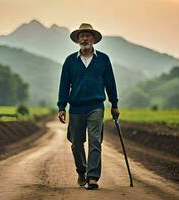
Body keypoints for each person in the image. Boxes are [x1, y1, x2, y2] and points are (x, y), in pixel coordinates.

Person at [57, 23, 120, 190]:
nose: (84, 38)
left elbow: (110, 83)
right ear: (78, 40)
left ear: (93, 39)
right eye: (81, 36)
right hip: (76, 108)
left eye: (88, 35)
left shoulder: (103, 59)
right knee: (76, 143)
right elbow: (64, 85)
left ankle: (92, 177)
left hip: (96, 106)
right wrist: (61, 107)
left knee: (95, 142)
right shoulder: (70, 61)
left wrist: (114, 104)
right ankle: (81, 171)